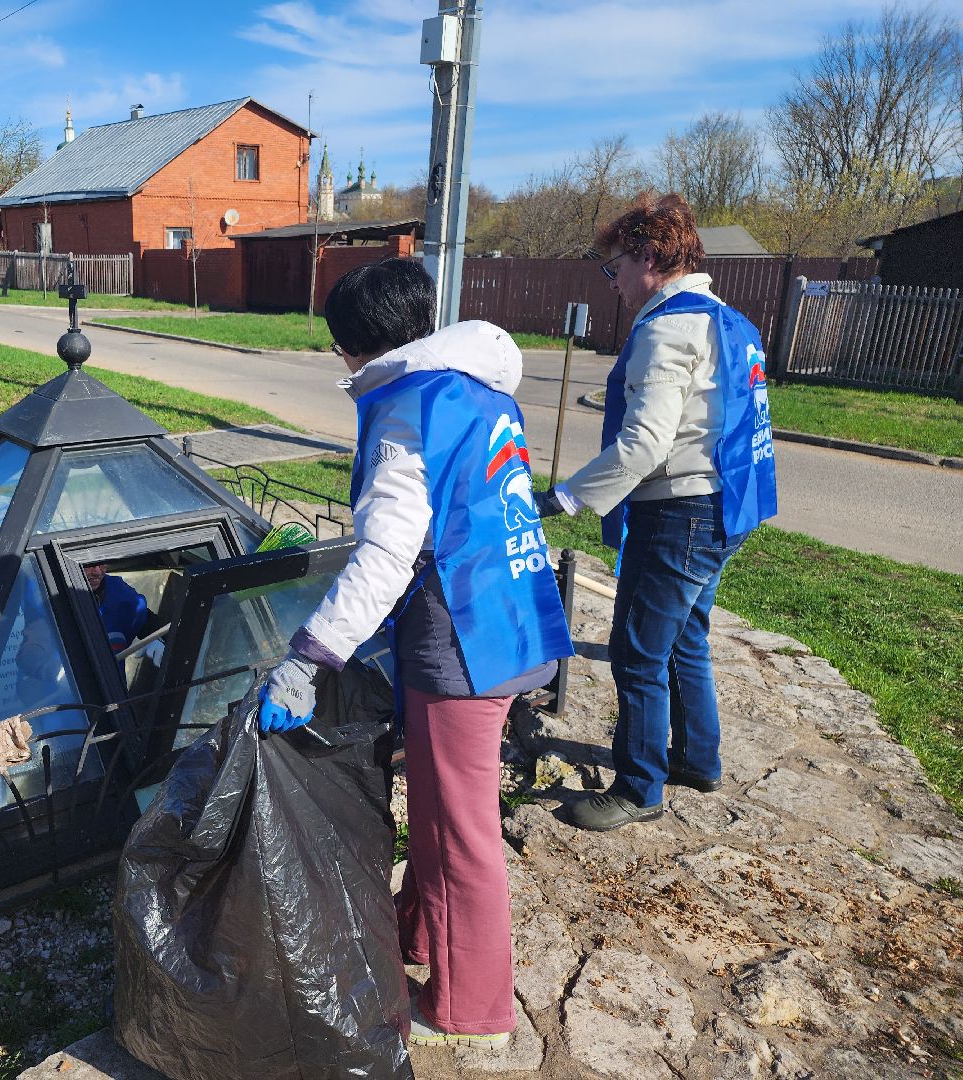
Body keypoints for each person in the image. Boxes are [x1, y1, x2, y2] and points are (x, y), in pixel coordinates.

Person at [258, 258, 574, 1050]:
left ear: (349, 347)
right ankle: (419, 942)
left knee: (461, 831)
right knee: (437, 812)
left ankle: (474, 1011)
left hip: (463, 640)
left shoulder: (405, 406)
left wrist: (310, 656)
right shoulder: (477, 386)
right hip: (517, 618)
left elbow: (386, 555)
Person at [535, 192, 778, 832]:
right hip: (727, 503)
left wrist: (563, 496)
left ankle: (639, 786)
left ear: (649, 257)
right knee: (688, 637)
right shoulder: (727, 320)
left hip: (679, 514)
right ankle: (698, 760)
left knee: (638, 652)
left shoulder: (666, 327)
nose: (612, 283)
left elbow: (646, 442)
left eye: (614, 267)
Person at [82, 563, 167, 671]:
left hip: (112, 684)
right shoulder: (54, 603)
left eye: (102, 563)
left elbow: (147, 622)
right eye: (90, 565)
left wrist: (158, 639)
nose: (98, 572)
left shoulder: (119, 593)